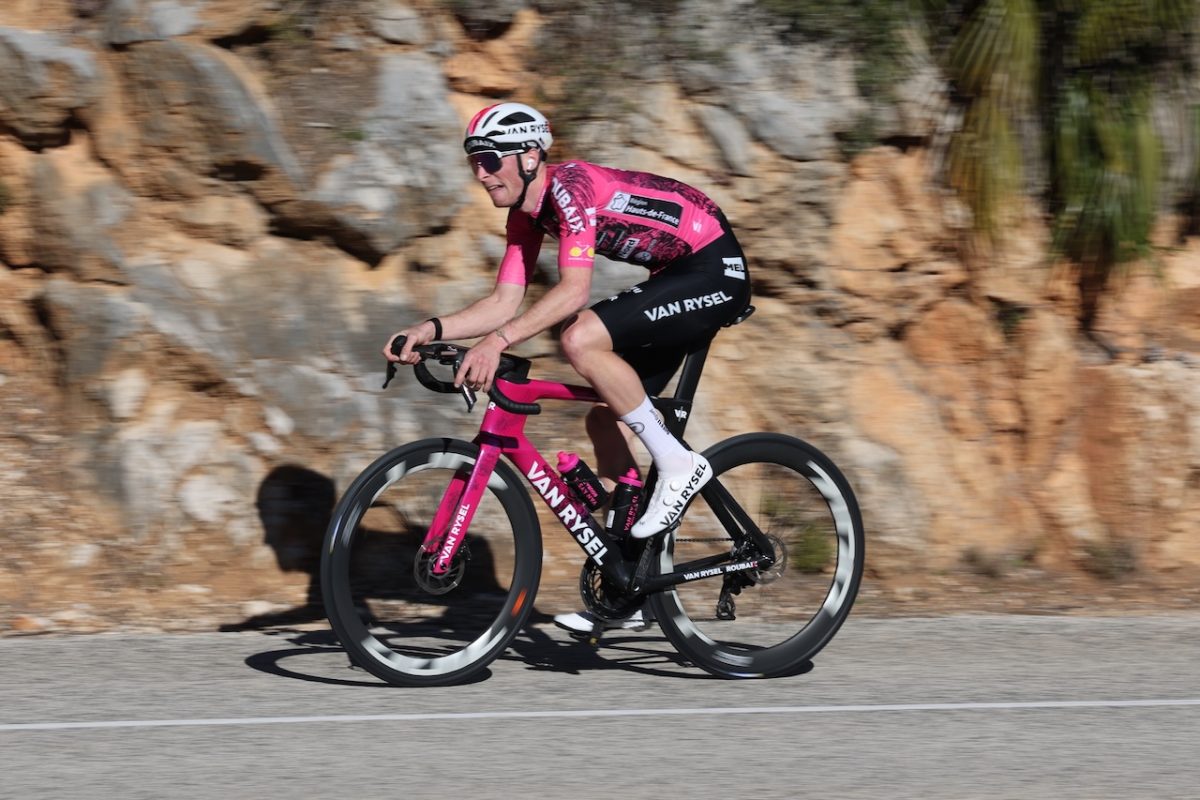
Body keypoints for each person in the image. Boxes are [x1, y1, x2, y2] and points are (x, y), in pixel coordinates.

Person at [383, 102, 751, 633]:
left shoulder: (569, 188)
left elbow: (574, 291)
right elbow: (503, 302)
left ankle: (678, 464)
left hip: (711, 267)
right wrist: (430, 329)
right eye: (475, 163)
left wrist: (496, 344)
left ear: (530, 156)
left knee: (579, 337)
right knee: (606, 417)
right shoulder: (525, 217)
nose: (481, 174)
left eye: (491, 160)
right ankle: (632, 584)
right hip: (673, 274)